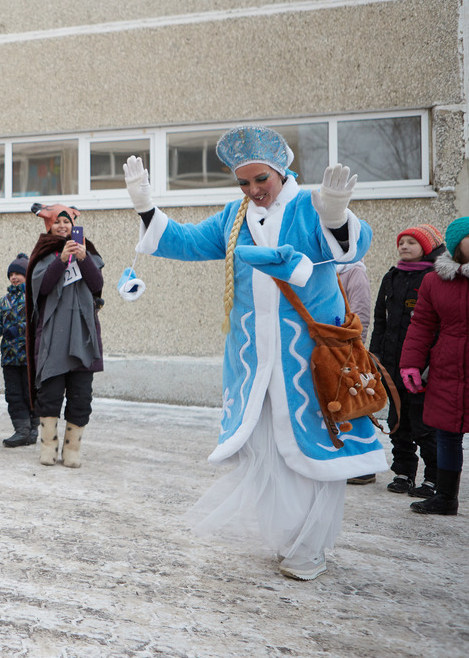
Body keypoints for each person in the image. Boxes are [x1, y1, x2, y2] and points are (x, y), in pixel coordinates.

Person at [123, 125, 383, 581]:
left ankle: (311, 545)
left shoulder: (308, 206)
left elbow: (350, 249)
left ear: (281, 171)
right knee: (267, 451)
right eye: (244, 182)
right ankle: (288, 537)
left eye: (260, 179)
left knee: (315, 453)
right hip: (253, 363)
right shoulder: (234, 216)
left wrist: (337, 214)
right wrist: (146, 205)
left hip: (307, 361)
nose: (253, 190)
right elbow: (184, 241)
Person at [398, 216, 469, 516]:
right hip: (448, 365)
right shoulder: (435, 281)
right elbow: (422, 326)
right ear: (457, 245)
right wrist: (411, 365)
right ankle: (445, 497)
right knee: (447, 433)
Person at [25, 204, 104, 468]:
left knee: (81, 396)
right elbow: (43, 287)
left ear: (74, 225)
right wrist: (60, 261)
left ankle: (72, 450)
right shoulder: (45, 253)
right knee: (50, 394)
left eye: (66, 222)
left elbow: (97, 285)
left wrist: (83, 259)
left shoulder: (87, 251)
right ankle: (48, 448)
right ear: (49, 226)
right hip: (53, 337)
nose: (62, 226)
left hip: (82, 335)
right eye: (57, 222)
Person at [368, 224, 443, 497]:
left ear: (427, 247)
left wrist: (429, 364)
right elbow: (380, 319)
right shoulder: (392, 277)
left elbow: (437, 326)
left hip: (421, 368)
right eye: (402, 242)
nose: (404, 246)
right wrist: (375, 354)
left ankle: (433, 478)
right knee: (397, 421)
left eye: (412, 242)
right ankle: (403, 473)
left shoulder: (434, 278)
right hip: (391, 364)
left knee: (423, 425)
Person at [0, 253, 36, 447]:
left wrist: (20, 329)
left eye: (19, 274)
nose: (14, 277)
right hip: (9, 357)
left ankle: (32, 429)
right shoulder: (4, 300)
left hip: (28, 357)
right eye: (12, 274)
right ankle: (21, 430)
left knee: (30, 393)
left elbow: (36, 321)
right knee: (13, 395)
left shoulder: (32, 297)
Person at [336, 260, 377, 485]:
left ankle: (364, 466)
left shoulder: (354, 271)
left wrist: (354, 348)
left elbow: (360, 312)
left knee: (354, 404)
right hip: (327, 347)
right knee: (337, 405)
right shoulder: (326, 268)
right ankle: (344, 459)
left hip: (346, 349)